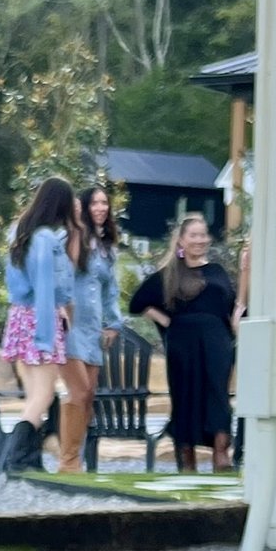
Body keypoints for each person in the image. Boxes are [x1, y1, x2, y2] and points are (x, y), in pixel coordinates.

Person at [133, 209, 238, 472]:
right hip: (183, 344)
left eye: (203, 235)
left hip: (217, 341)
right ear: (181, 240)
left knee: (217, 393)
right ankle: (186, 457)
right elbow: (139, 302)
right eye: (194, 235)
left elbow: (232, 304)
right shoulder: (169, 274)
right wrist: (167, 322)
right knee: (185, 395)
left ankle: (221, 453)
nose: (200, 240)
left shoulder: (217, 271)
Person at [0, 177, 76, 476]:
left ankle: (28, 459)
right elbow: (44, 286)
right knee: (42, 396)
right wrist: (46, 337)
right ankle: (15, 459)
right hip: (38, 318)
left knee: (34, 397)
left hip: (19, 316)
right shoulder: (43, 239)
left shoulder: (18, 232)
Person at [57, 181, 123, 473]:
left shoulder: (107, 248)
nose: (100, 208)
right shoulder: (72, 238)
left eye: (104, 203)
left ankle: (76, 459)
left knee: (90, 394)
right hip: (70, 326)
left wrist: (113, 324)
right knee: (79, 392)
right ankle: (67, 461)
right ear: (83, 207)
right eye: (94, 203)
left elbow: (110, 291)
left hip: (94, 329)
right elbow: (59, 275)